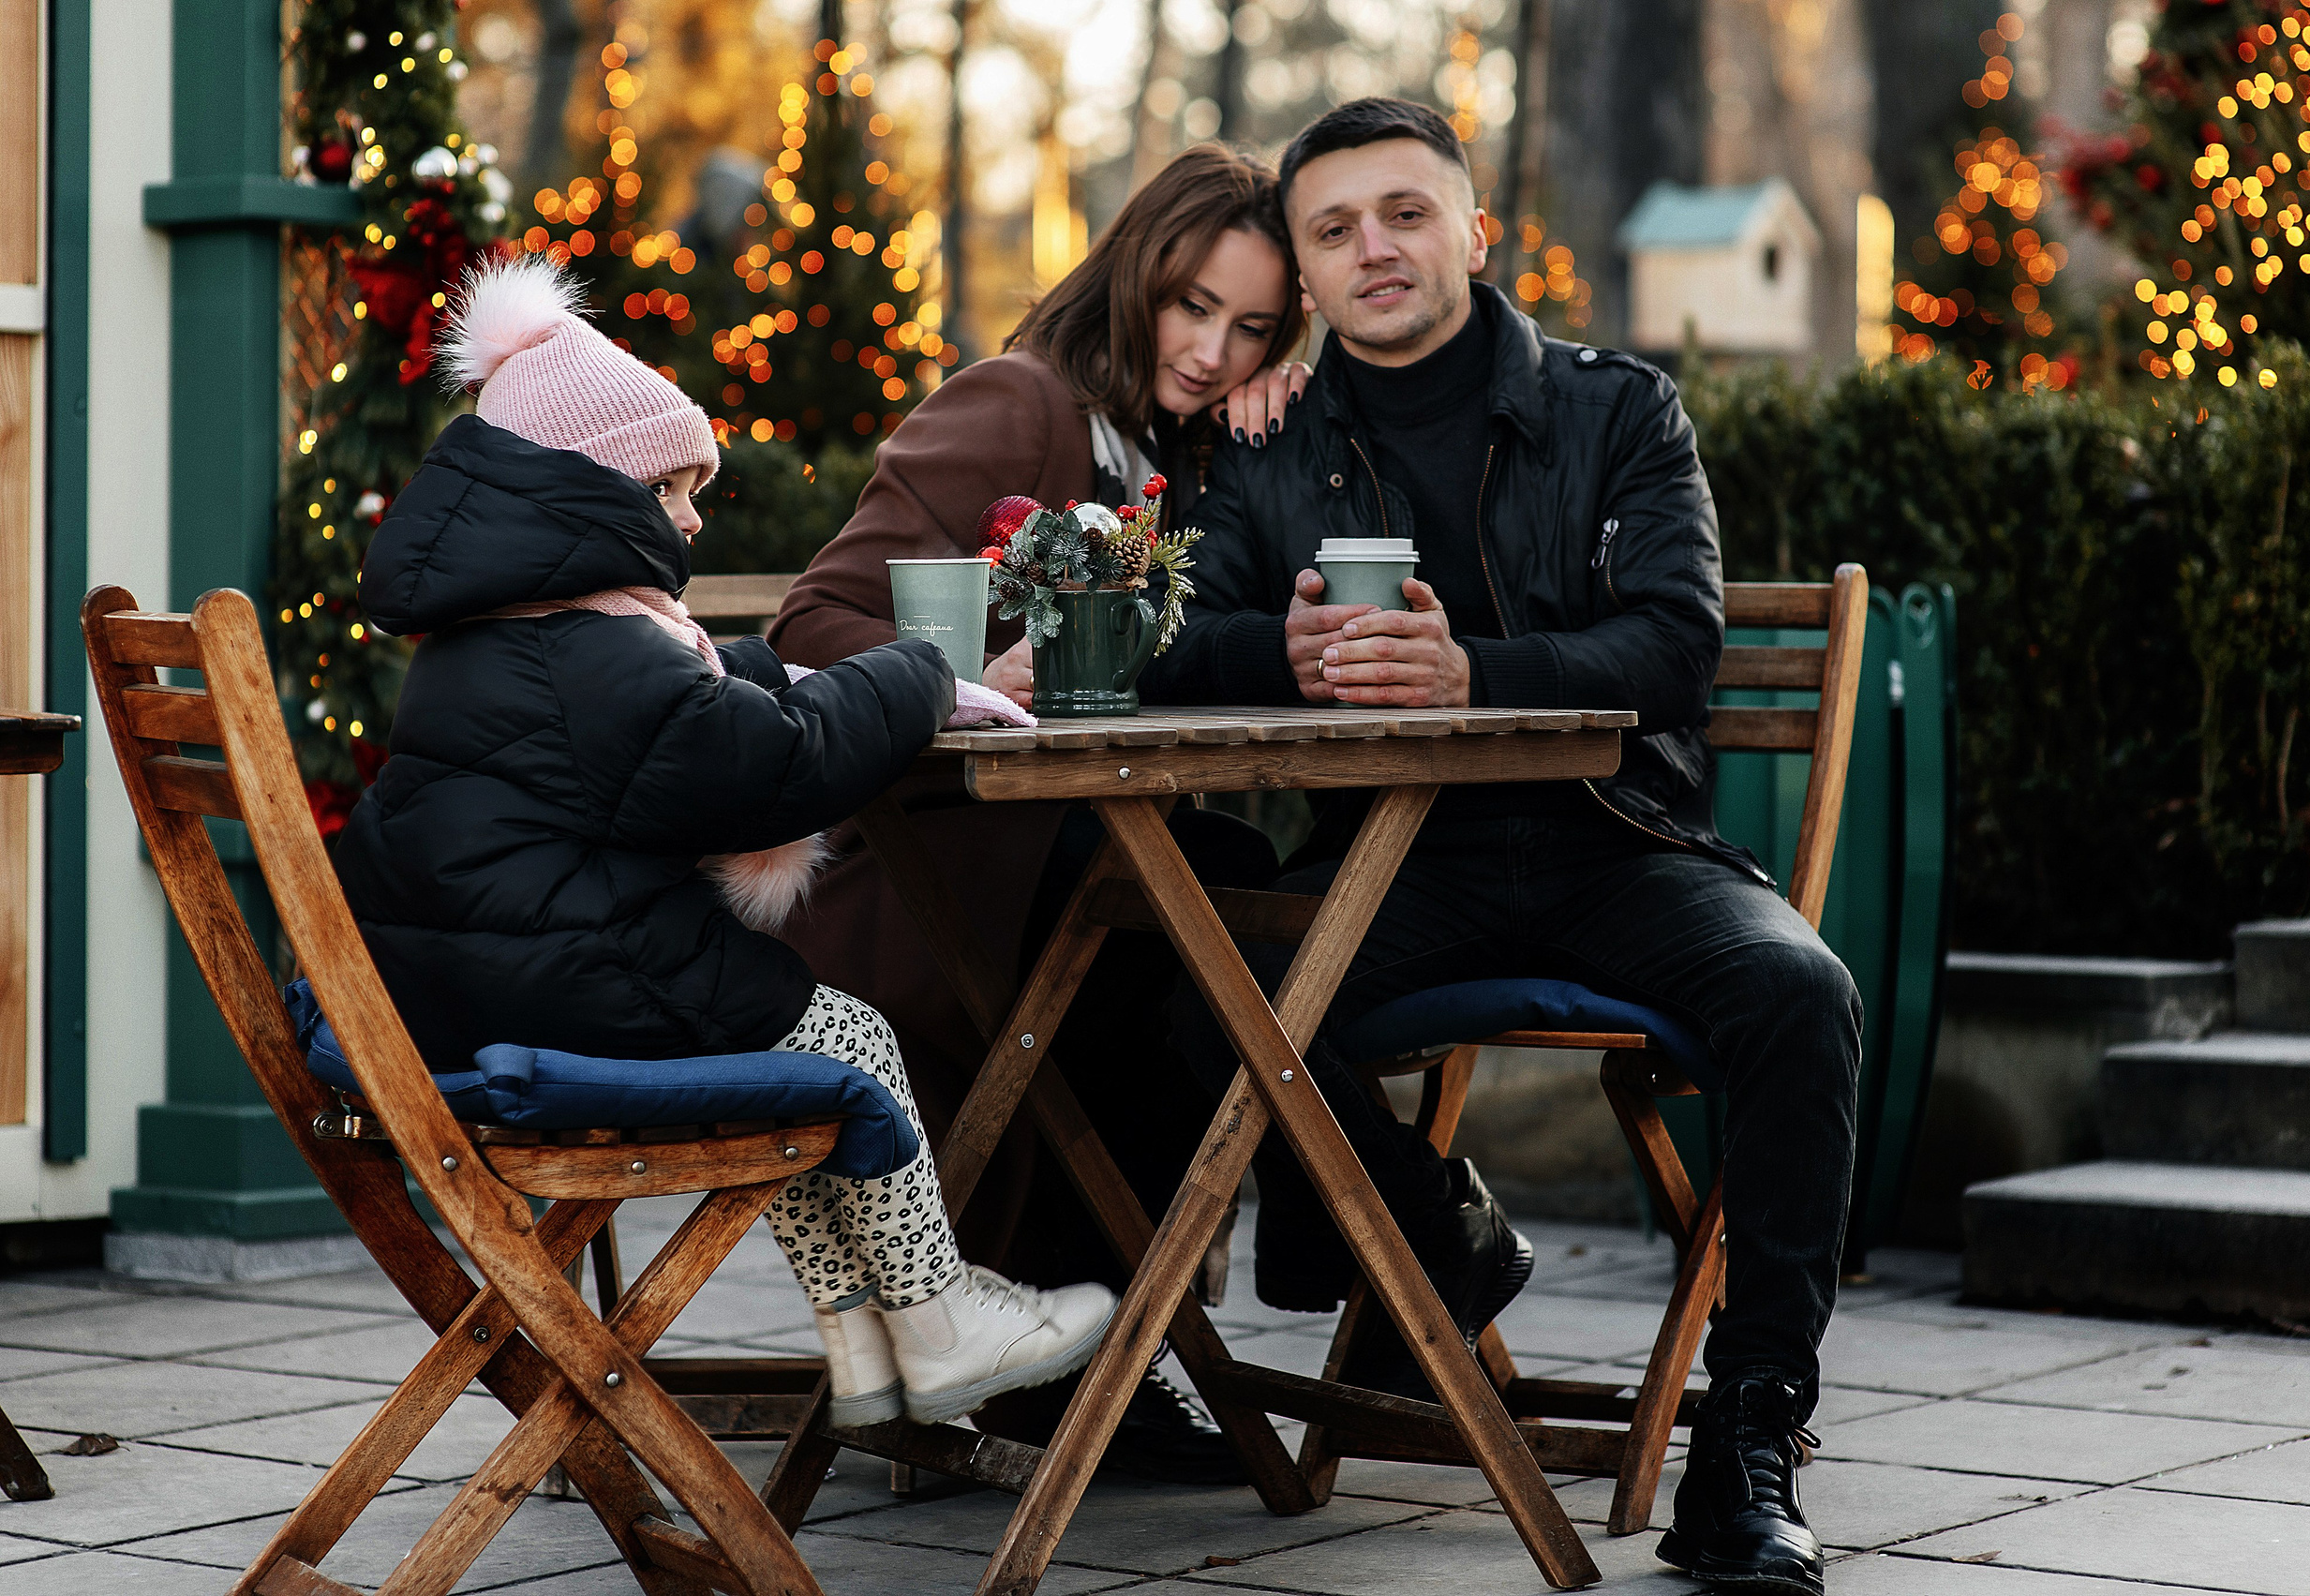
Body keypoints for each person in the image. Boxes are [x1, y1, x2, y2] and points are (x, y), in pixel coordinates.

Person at [1143, 99, 1860, 1596]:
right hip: (1397, 869)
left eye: (1405, 212)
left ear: (1475, 229)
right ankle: (1430, 1226)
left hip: (1621, 845)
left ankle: (1750, 1442)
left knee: (1803, 994)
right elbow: (1169, 637)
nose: (1373, 249)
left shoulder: (1619, 410)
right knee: (1184, 988)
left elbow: (1675, 642)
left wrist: (1479, 670)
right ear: (1309, 270)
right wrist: (1270, 648)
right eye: (1332, 230)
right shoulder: (1272, 442)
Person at [335, 256, 1117, 1431]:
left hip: (477, 977)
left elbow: (665, 723)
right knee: (843, 1039)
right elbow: (763, 768)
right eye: (673, 488)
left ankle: (862, 1341)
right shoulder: (594, 646)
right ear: (591, 492)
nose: (695, 516)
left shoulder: (510, 627)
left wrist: (771, 670)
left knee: (785, 1075)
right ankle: (939, 1318)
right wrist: (914, 670)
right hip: (577, 985)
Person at [768, 144, 1312, 1480]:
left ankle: (1103, 1356)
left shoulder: (1169, 454)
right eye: (1193, 307)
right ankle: (1123, 1350)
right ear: (1135, 274)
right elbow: (811, 621)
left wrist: (1304, 391)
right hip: (928, 879)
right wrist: (963, 678)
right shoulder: (1021, 402)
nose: (1208, 350)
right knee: (1188, 919)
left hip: (1051, 861)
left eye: (1250, 328)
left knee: (1232, 884)